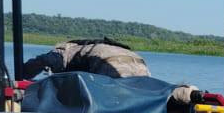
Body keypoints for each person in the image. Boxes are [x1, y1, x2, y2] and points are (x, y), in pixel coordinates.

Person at [19, 38, 151, 80]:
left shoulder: (63, 51)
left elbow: (43, 61)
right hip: (140, 63)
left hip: (109, 63)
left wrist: (22, 74)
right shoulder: (88, 47)